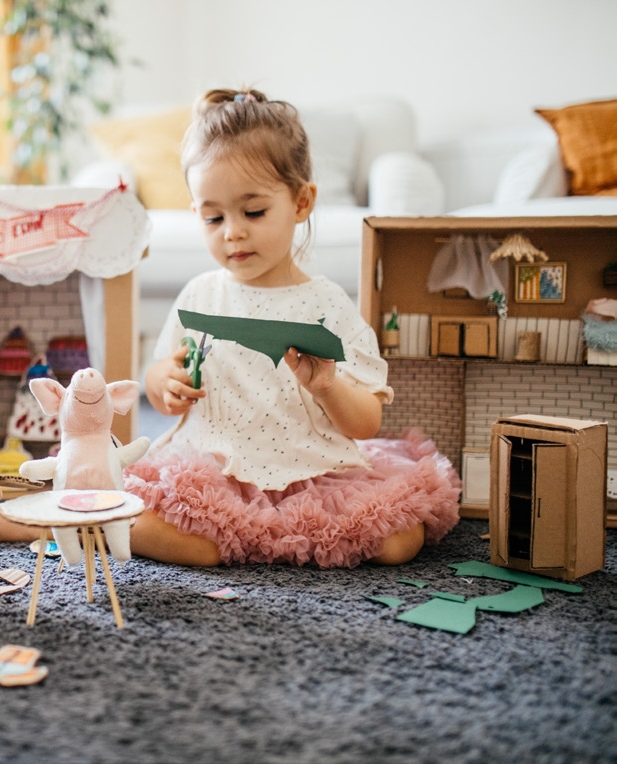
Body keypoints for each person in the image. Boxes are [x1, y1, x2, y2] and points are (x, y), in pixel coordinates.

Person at [122, 88, 460, 568]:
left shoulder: (327, 304)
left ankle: (250, 541)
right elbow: (161, 384)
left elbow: (366, 423)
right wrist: (164, 383)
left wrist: (328, 387)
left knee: (396, 540)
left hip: (316, 474)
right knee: (142, 520)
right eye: (212, 216)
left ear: (301, 202)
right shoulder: (199, 294)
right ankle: (236, 540)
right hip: (219, 473)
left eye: (253, 212)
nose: (232, 232)